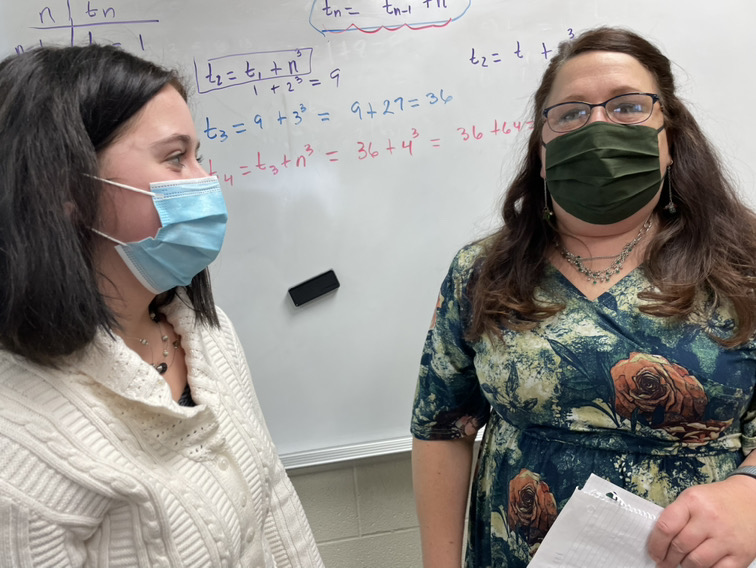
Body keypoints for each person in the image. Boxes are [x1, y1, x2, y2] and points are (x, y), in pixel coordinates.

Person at [411, 26, 756, 568]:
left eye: (628, 107)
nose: (598, 125)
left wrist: (752, 494)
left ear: (671, 138)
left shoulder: (744, 265)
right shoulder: (482, 271)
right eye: (570, 113)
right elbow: (441, 427)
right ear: (544, 154)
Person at [0, 44, 324, 567]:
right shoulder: (17, 437)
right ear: (66, 187)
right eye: (176, 158)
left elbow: (275, 511)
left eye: (198, 155)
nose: (204, 181)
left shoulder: (209, 335)